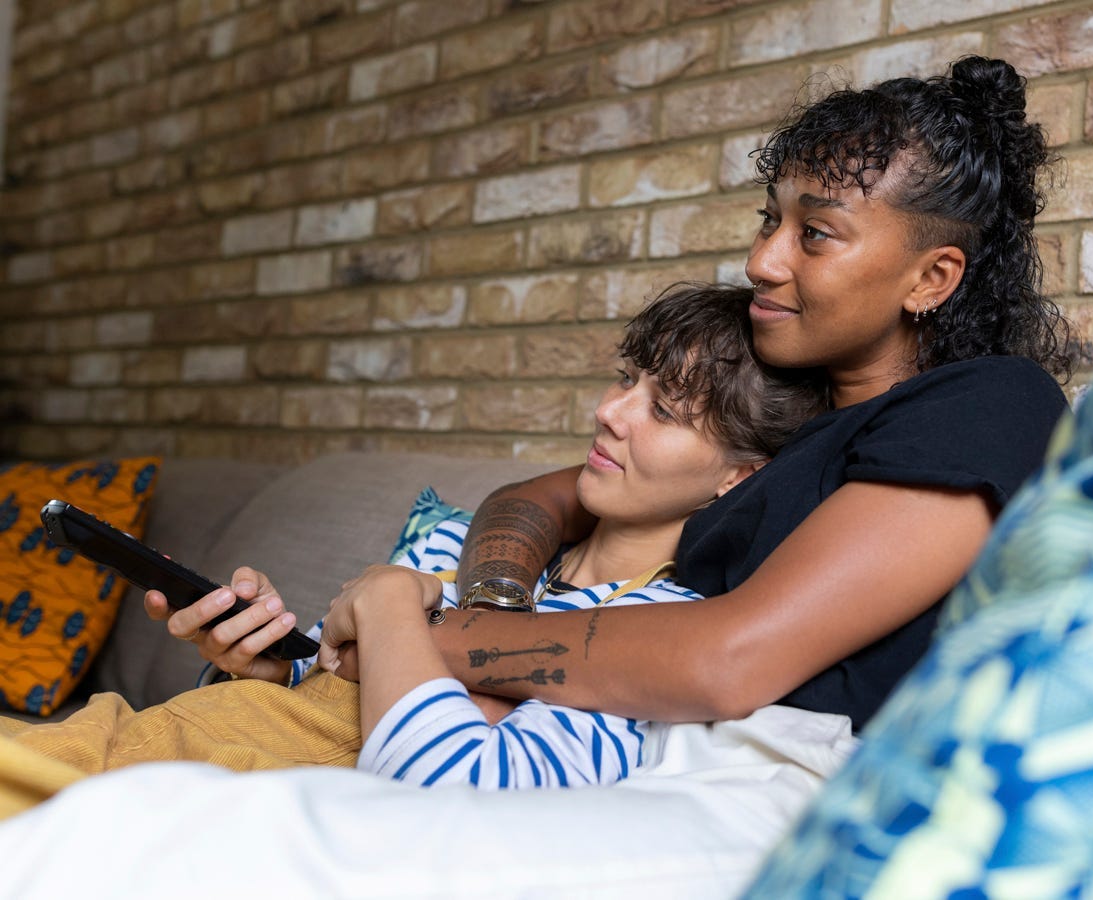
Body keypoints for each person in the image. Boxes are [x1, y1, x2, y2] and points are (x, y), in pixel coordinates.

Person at [149, 56, 1073, 735]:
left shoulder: (991, 406)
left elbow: (727, 659)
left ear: (931, 277)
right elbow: (535, 501)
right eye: (770, 220)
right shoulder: (786, 402)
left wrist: (407, 629)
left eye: (816, 234)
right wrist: (352, 648)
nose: (763, 259)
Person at [1, 283, 821, 795]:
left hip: (197, 796)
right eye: (626, 379)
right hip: (140, 740)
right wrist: (264, 655)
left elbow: (459, 786)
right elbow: (328, 681)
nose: (611, 412)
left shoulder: (654, 628)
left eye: (666, 410)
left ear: (740, 477)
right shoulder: (464, 544)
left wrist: (393, 600)